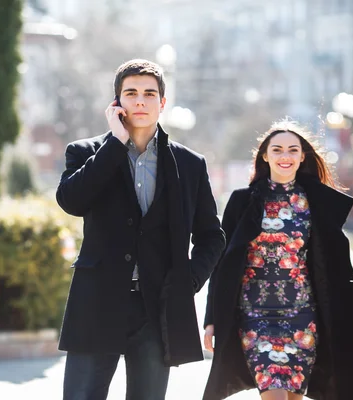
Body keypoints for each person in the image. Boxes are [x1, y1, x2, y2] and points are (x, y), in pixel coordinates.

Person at [56, 59, 226, 400]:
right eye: (130, 93)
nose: (140, 101)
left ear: (163, 103)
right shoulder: (85, 152)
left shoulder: (190, 164)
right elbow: (72, 201)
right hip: (97, 303)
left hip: (156, 308)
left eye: (150, 93)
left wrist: (186, 281)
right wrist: (115, 145)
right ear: (117, 103)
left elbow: (212, 236)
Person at [202, 119, 353, 400]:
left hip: (302, 317)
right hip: (254, 316)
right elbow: (221, 263)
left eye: (292, 150)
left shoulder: (316, 204)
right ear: (265, 155)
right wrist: (211, 319)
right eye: (277, 150)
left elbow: (332, 263)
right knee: (274, 395)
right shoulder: (242, 201)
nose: (285, 156)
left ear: (302, 157)